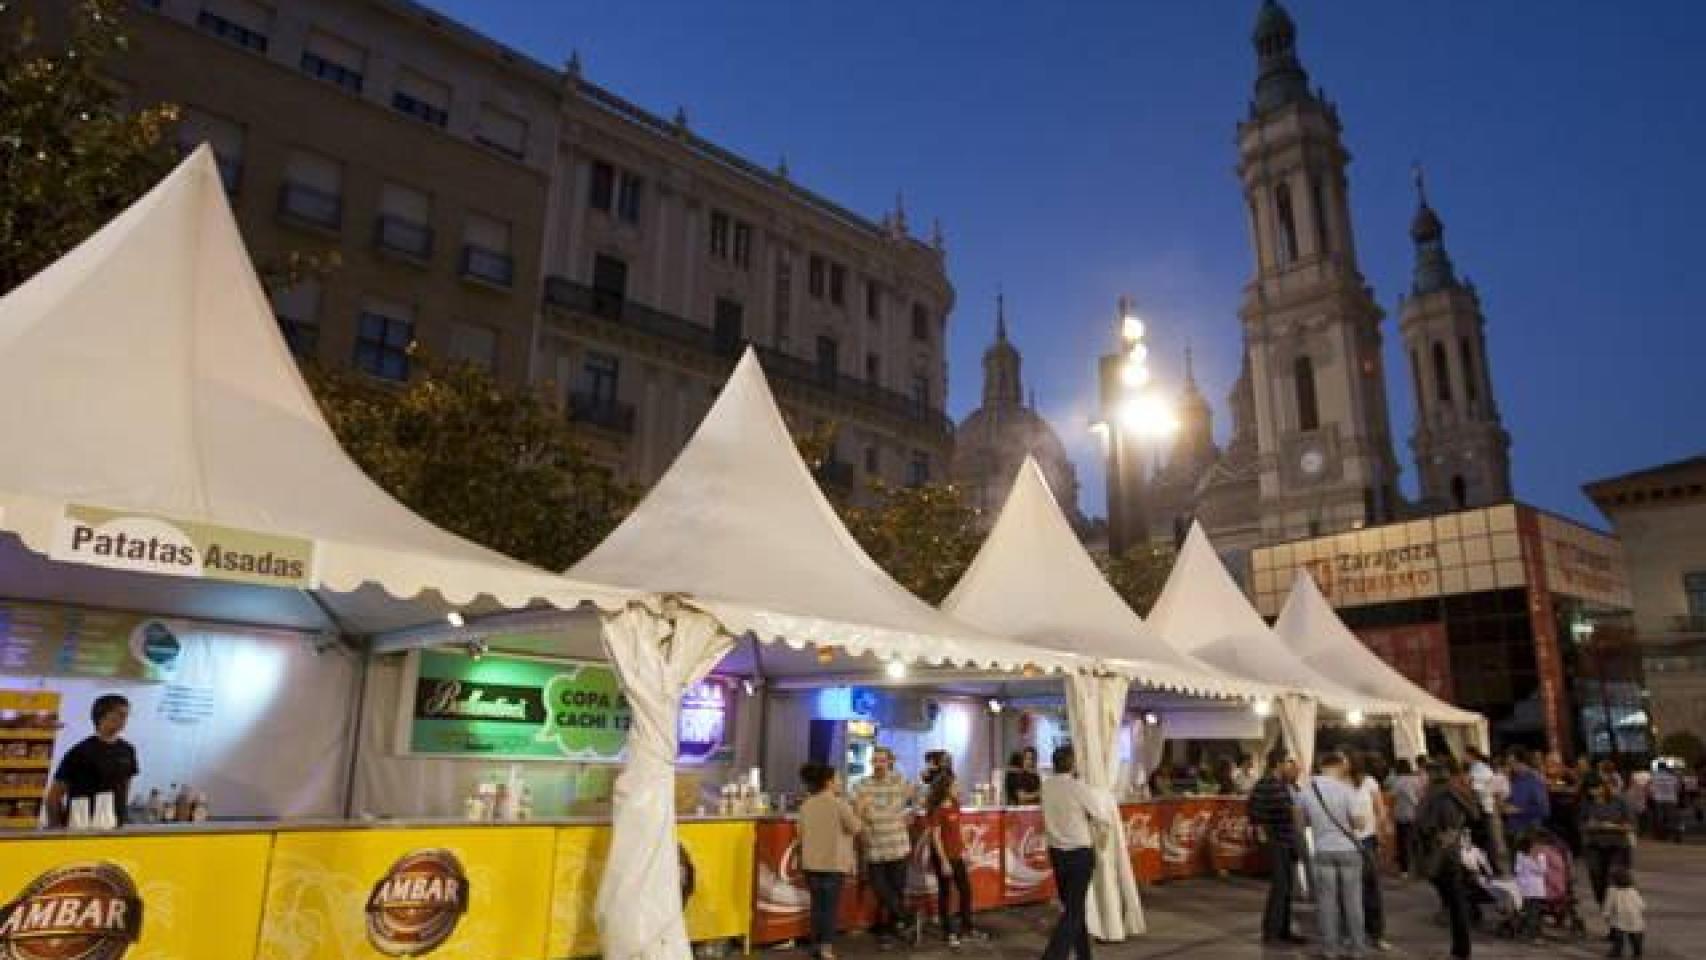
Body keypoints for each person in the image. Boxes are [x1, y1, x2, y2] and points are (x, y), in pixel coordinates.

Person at [1039, 745, 1107, 960]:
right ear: (1072, 762)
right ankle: (1053, 955)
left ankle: (1084, 955)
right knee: (1074, 912)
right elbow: (1100, 815)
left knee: (1073, 907)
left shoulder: (1046, 786)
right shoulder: (1078, 787)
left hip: (1057, 853)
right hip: (1079, 853)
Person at [1301, 751, 1369, 960]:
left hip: (1322, 850)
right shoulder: (1347, 790)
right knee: (1353, 902)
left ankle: (1330, 950)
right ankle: (1357, 949)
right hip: (1348, 850)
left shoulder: (1306, 790)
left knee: (1326, 903)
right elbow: (1359, 824)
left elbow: (1300, 822)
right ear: (1338, 766)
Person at [1417, 758, 1483, 960]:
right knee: (1458, 899)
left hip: (1440, 850)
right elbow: (1475, 815)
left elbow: (1424, 825)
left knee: (1451, 896)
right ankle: (1462, 948)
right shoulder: (1458, 792)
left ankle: (1460, 948)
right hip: (1457, 848)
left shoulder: (1433, 794)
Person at [798, 763, 861, 960]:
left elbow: (801, 834)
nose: (841, 782)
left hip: (811, 864)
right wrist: (859, 809)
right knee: (829, 909)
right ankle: (826, 949)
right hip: (833, 864)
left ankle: (816, 945)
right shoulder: (839, 804)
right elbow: (855, 828)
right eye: (839, 779)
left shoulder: (806, 804)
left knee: (817, 907)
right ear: (829, 782)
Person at [45, 694, 137, 827]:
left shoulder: (128, 750)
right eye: (120, 714)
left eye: (126, 715)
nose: (124, 719)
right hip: (83, 827)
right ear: (102, 715)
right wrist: (56, 830)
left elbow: (125, 788)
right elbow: (53, 797)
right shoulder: (80, 752)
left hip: (114, 826)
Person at [853, 747, 914, 948]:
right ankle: (907, 918)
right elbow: (857, 812)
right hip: (874, 847)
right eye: (875, 760)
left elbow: (920, 797)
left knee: (896, 890)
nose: (878, 764)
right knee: (881, 890)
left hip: (898, 845)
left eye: (882, 761)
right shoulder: (861, 784)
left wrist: (909, 811)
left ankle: (888, 930)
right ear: (871, 762)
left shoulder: (900, 782)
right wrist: (886, 813)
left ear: (890, 762)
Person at [1249, 748, 1305, 946]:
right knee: (1280, 887)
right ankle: (1272, 932)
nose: (1292, 766)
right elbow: (1289, 812)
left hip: (1284, 841)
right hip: (1278, 841)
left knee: (1287, 887)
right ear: (1279, 764)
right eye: (1289, 762)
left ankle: (1283, 929)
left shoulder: (1279, 784)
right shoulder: (1271, 785)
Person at [926, 772, 978, 948]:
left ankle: (967, 927)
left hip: (957, 855)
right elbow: (936, 837)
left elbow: (959, 828)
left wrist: (965, 849)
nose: (958, 788)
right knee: (945, 893)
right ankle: (948, 931)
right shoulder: (937, 809)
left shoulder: (955, 804)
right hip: (944, 856)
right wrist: (943, 861)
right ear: (946, 788)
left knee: (965, 890)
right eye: (955, 785)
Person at [1348, 753, 1390, 951]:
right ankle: (1354, 933)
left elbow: (1380, 809)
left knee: (1371, 889)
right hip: (1347, 843)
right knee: (1352, 890)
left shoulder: (1370, 782)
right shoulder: (1340, 784)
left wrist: (1381, 831)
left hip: (1367, 841)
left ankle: (1376, 934)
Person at [1579, 772, 1636, 908]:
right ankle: (1604, 905)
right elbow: (1580, 824)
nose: (1594, 792)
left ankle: (1615, 908)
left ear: (1603, 786)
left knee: (1613, 878)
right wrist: (1589, 825)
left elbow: (1631, 825)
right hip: (1594, 845)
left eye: (1597, 788)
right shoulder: (1587, 803)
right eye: (1590, 790)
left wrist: (1613, 826)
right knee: (1596, 876)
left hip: (1616, 845)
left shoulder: (1619, 801)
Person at [1504, 749, 1551, 852]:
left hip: (1529, 831)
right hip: (1515, 830)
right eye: (1508, 763)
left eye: (1512, 763)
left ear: (1522, 762)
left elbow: (1544, 810)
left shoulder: (1534, 780)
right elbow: (1513, 799)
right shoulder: (1515, 779)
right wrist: (1505, 803)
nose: (1510, 766)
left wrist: (1519, 810)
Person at [1388, 757, 1425, 877]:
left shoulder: (1397, 781)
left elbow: (1392, 797)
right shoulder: (1417, 779)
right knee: (1417, 842)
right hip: (1416, 814)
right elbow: (1421, 795)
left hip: (1402, 815)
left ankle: (1405, 870)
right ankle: (1420, 867)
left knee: (1403, 843)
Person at [1510, 832, 1549, 943]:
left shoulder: (1541, 857)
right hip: (1525, 888)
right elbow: (1518, 870)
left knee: (1535, 912)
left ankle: (1532, 933)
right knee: (1527, 912)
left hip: (1537, 890)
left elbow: (1542, 870)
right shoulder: (1521, 855)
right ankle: (1527, 933)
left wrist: (1535, 860)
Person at [1603, 867, 1645, 958]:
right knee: (1635, 936)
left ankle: (1616, 952)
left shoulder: (1612, 891)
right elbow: (1641, 904)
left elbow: (1609, 904)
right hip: (1635, 918)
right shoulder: (1633, 891)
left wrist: (1606, 914)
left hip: (1620, 917)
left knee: (1619, 937)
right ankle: (1637, 952)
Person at [1647, 763, 1680, 843]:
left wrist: (1651, 796)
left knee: (1659, 817)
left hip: (1658, 799)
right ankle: (1672, 833)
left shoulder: (1654, 777)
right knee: (1670, 817)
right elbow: (1678, 788)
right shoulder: (1673, 777)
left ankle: (1661, 835)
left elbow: (1650, 788)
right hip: (1671, 799)